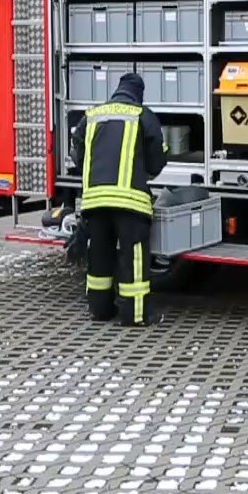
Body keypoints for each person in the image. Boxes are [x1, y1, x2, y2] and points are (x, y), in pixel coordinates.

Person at [79, 73, 167, 325]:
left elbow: (78, 155)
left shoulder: (93, 115)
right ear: (138, 93)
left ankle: (100, 310)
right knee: (133, 260)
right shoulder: (142, 115)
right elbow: (157, 160)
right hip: (130, 204)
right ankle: (135, 315)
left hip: (94, 202)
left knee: (99, 257)